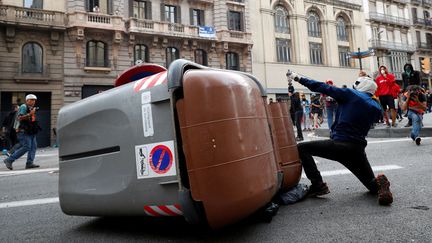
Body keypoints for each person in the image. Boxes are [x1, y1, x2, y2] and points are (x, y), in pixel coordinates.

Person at [286, 71, 393, 206]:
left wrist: (299, 78)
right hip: (357, 149)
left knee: (302, 148)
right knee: (372, 187)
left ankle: (318, 185)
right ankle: (380, 185)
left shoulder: (351, 94)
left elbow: (322, 87)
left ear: (361, 85)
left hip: (340, 145)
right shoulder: (375, 106)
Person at [3, 94, 41, 170]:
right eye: (31, 100)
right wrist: (30, 114)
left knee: (33, 147)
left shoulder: (31, 108)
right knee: (27, 147)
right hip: (23, 131)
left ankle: (29, 163)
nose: (33, 102)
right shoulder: (23, 107)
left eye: (34, 100)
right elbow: (20, 117)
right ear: (27, 101)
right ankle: (9, 160)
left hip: (30, 131)